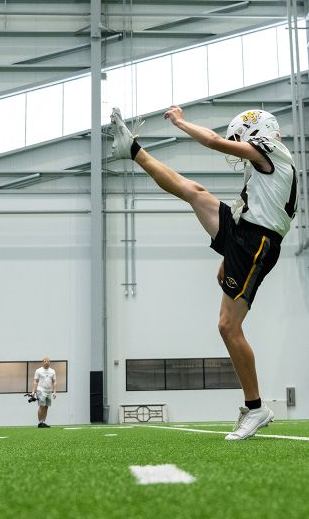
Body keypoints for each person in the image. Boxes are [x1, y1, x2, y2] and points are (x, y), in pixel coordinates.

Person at [108, 105, 295, 440]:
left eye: (240, 137)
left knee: (227, 326)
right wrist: (227, 252)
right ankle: (132, 150)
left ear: (256, 133)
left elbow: (212, 141)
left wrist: (180, 122)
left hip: (257, 242)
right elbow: (246, 206)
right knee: (193, 192)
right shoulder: (261, 170)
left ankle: (256, 408)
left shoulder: (272, 150)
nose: (237, 144)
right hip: (244, 231)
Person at [31, 358, 57, 428]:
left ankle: (43, 422)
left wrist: (54, 392)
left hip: (49, 391)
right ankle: (40, 422)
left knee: (46, 406)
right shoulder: (38, 370)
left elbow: (54, 381)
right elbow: (35, 381)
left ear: (50, 362)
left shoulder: (52, 371)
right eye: (45, 361)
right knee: (41, 406)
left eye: (48, 361)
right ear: (42, 362)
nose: (46, 362)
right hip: (40, 390)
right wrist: (33, 391)